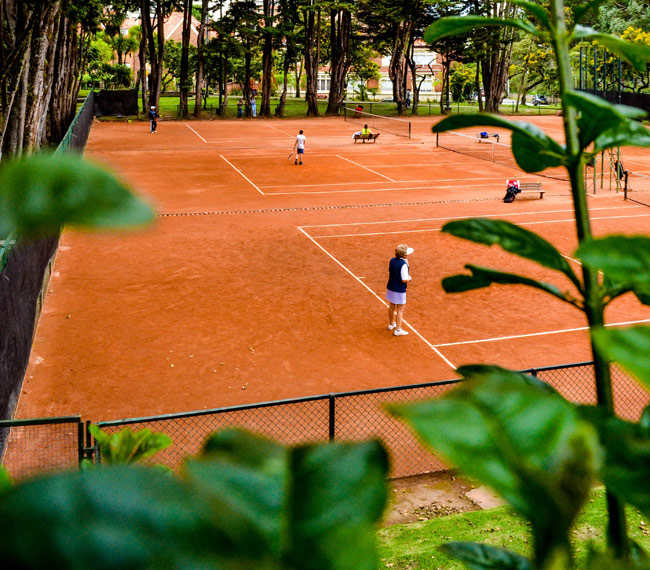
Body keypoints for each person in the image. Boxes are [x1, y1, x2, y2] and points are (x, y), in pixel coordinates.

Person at [386, 244, 413, 336]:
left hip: (391, 287)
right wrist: (410, 278)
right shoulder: (403, 265)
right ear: (404, 255)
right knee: (400, 309)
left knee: (392, 306)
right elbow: (404, 279)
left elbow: (391, 271)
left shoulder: (392, 260)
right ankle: (398, 330)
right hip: (399, 289)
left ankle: (391, 324)